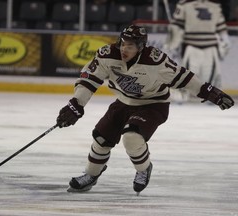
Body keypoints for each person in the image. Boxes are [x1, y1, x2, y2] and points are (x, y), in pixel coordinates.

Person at [56, 25, 234, 195]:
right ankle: (91, 174)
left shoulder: (155, 61)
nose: (124, 49)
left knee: (131, 137)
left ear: (141, 47)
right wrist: (76, 104)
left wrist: (213, 94)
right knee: (101, 138)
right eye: (122, 43)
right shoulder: (108, 55)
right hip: (123, 102)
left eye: (130, 46)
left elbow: (185, 78)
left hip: (153, 104)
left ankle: (143, 169)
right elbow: (89, 79)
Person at [164, 0, 231, 91]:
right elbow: (177, 25)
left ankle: (211, 96)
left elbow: (220, 26)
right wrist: (172, 39)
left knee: (210, 75)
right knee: (188, 75)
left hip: (210, 47)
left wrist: (225, 39)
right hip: (191, 45)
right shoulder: (184, 4)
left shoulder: (215, 5)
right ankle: (182, 95)